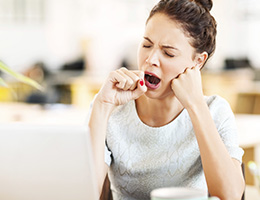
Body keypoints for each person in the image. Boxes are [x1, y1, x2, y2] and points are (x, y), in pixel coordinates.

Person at [88, 0, 245, 199]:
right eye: (146, 44)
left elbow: (230, 194)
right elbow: (85, 193)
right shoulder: (109, 108)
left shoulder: (215, 110)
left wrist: (195, 105)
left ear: (198, 61)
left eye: (168, 53)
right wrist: (103, 106)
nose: (150, 59)